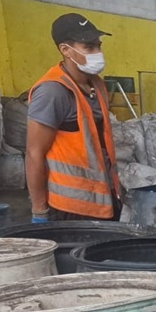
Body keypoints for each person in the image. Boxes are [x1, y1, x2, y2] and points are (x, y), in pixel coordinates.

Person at [26, 13, 121, 222]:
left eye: (99, 46)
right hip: (69, 208)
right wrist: (39, 211)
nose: (97, 53)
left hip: (104, 200)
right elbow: (34, 153)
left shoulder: (97, 84)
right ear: (65, 50)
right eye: (89, 47)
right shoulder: (52, 92)